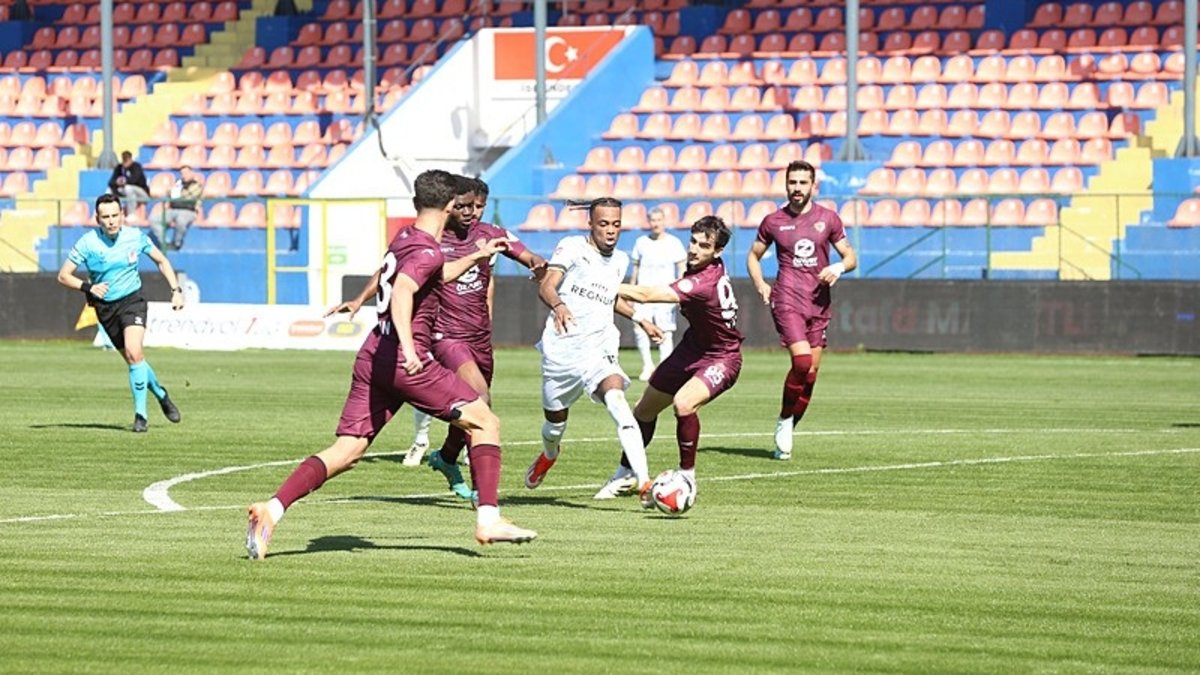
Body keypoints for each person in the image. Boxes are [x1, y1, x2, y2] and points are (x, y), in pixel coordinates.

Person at [247, 169, 536, 561]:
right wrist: (411, 348)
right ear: (451, 205)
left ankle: (272, 509)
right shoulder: (429, 250)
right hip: (404, 358)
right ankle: (489, 519)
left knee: (348, 450)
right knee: (486, 421)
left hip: (374, 353)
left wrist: (475, 255)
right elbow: (403, 291)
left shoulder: (406, 238)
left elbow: (433, 274)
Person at [328, 177, 547, 502]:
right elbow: (393, 273)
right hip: (444, 336)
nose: (472, 212)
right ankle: (482, 493)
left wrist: (538, 265)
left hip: (479, 336)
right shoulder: (433, 240)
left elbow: (527, 255)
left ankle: (446, 457)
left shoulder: (491, 234)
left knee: (474, 405)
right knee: (481, 398)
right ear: (451, 206)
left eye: (478, 206)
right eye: (465, 206)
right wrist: (361, 298)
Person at [523, 197, 661, 501]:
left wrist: (640, 319)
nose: (610, 231)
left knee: (618, 402)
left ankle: (644, 482)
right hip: (562, 351)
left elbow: (609, 297)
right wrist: (559, 305)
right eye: (603, 224)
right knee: (554, 426)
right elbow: (547, 285)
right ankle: (549, 454)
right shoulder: (572, 247)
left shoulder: (621, 260)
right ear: (590, 224)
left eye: (616, 224)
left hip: (599, 348)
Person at [609, 215, 743, 497]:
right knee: (643, 410)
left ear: (718, 251)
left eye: (704, 246)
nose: (694, 249)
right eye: (693, 241)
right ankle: (624, 473)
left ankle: (687, 477)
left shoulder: (703, 282)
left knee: (683, 404)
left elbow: (646, 295)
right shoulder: (705, 266)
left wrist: (599, 281)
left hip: (722, 356)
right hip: (691, 349)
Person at [746, 160, 857, 460]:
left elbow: (850, 257)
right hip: (787, 299)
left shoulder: (828, 218)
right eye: (792, 182)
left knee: (810, 374)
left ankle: (788, 428)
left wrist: (838, 267)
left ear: (813, 186)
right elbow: (753, 255)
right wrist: (760, 283)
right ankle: (784, 419)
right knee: (802, 361)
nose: (796, 188)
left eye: (802, 183)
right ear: (786, 184)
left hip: (818, 302)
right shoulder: (773, 221)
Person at [56, 193, 185, 432]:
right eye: (106, 217)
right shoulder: (87, 243)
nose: (111, 221)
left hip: (132, 301)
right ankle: (161, 394)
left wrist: (176, 290)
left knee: (135, 353)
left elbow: (161, 260)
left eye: (115, 215)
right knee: (134, 360)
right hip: (105, 308)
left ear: (122, 215)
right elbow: (63, 275)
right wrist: (88, 287)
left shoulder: (135, 237)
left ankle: (141, 417)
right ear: (97, 219)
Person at [629, 206, 687, 381]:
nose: (656, 224)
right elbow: (635, 269)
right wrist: (631, 292)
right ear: (649, 222)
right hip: (643, 293)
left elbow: (681, 268)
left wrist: (680, 292)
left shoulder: (674, 243)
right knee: (639, 326)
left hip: (665, 293)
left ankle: (664, 367)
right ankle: (647, 365)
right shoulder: (641, 242)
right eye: (653, 220)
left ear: (664, 221)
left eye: (659, 220)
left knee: (665, 330)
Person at [154, 166, 203, 251]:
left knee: (181, 221)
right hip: (173, 209)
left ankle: (176, 244)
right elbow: (169, 194)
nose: (184, 175)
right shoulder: (178, 184)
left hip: (188, 210)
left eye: (186, 173)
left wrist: (175, 191)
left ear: (192, 173)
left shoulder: (196, 185)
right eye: (182, 173)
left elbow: (187, 197)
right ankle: (165, 243)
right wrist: (173, 191)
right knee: (154, 220)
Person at [107, 150, 150, 217]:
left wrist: (124, 182)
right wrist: (117, 182)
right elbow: (111, 182)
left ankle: (131, 214)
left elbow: (134, 180)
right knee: (109, 190)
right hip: (125, 192)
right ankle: (108, 213)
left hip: (141, 193)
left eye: (126, 160)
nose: (125, 163)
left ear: (130, 159)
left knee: (128, 188)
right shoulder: (119, 168)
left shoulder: (137, 167)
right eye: (123, 160)